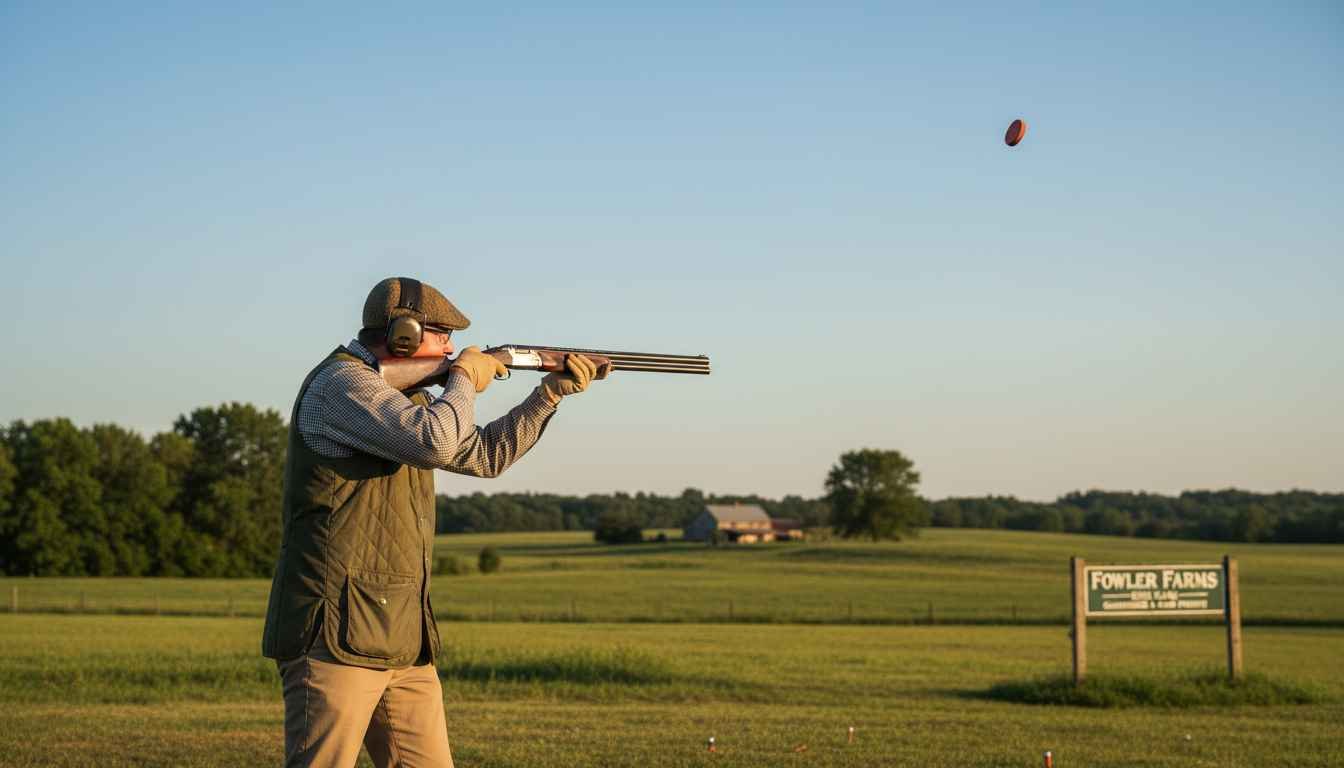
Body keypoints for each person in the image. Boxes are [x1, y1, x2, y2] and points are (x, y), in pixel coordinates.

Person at [262, 276, 599, 767]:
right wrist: (463, 378)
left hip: (400, 636)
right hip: (333, 634)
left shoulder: (409, 400)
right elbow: (434, 442)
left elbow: (484, 455)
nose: (453, 348)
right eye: (443, 335)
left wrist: (548, 395)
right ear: (404, 333)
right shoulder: (342, 384)